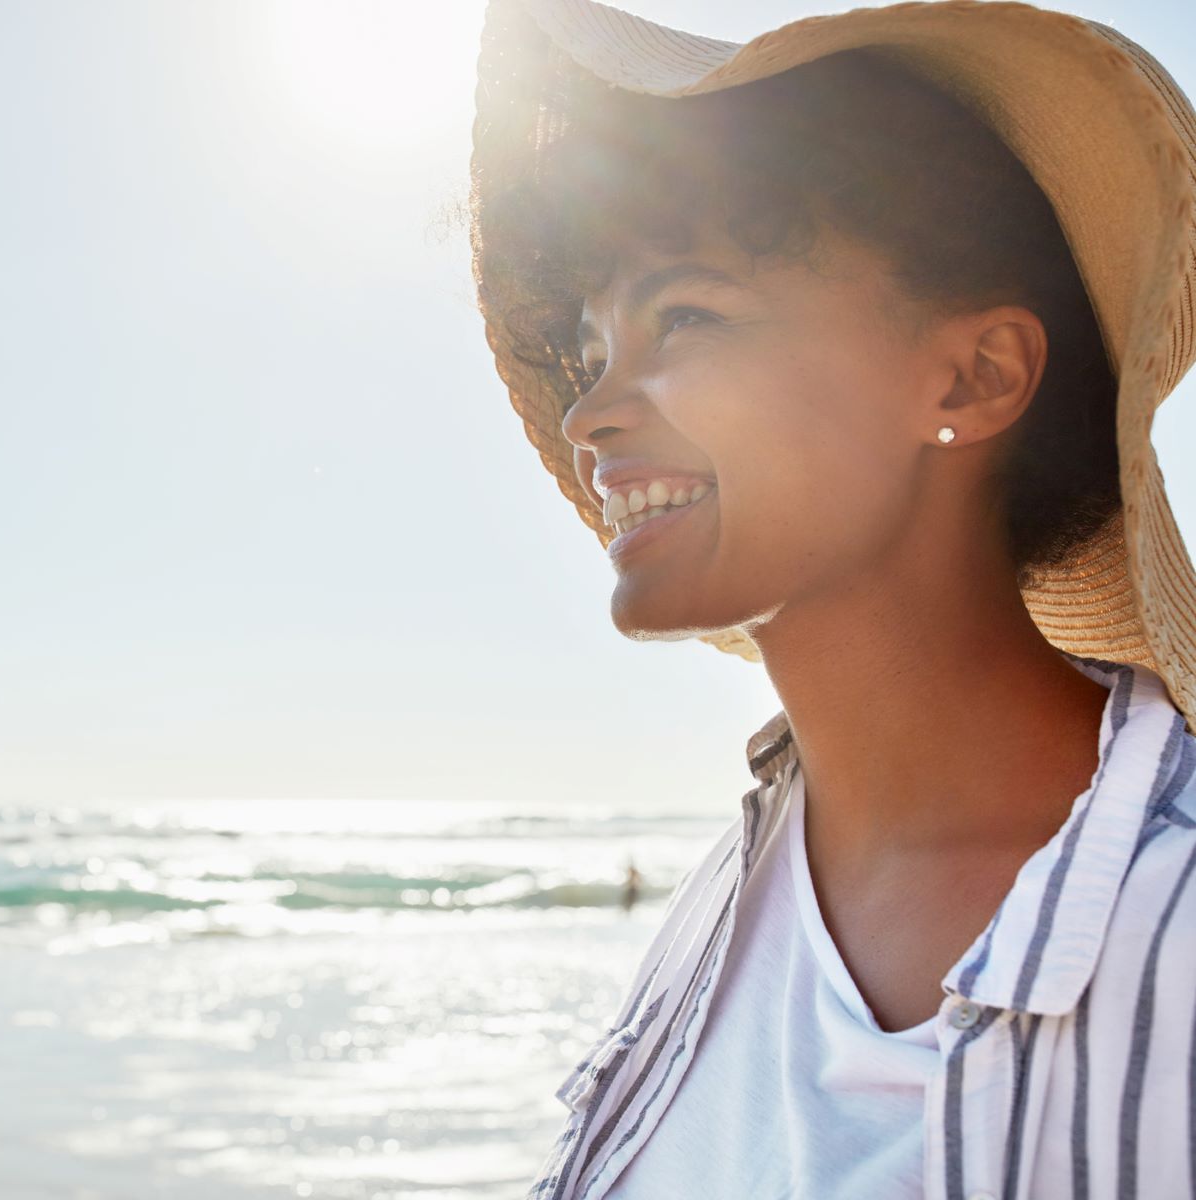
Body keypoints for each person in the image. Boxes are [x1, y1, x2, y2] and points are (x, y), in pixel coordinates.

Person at [467, 1, 1196, 1197]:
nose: (590, 415)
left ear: (973, 375)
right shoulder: (730, 902)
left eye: (686, 316)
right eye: (593, 353)